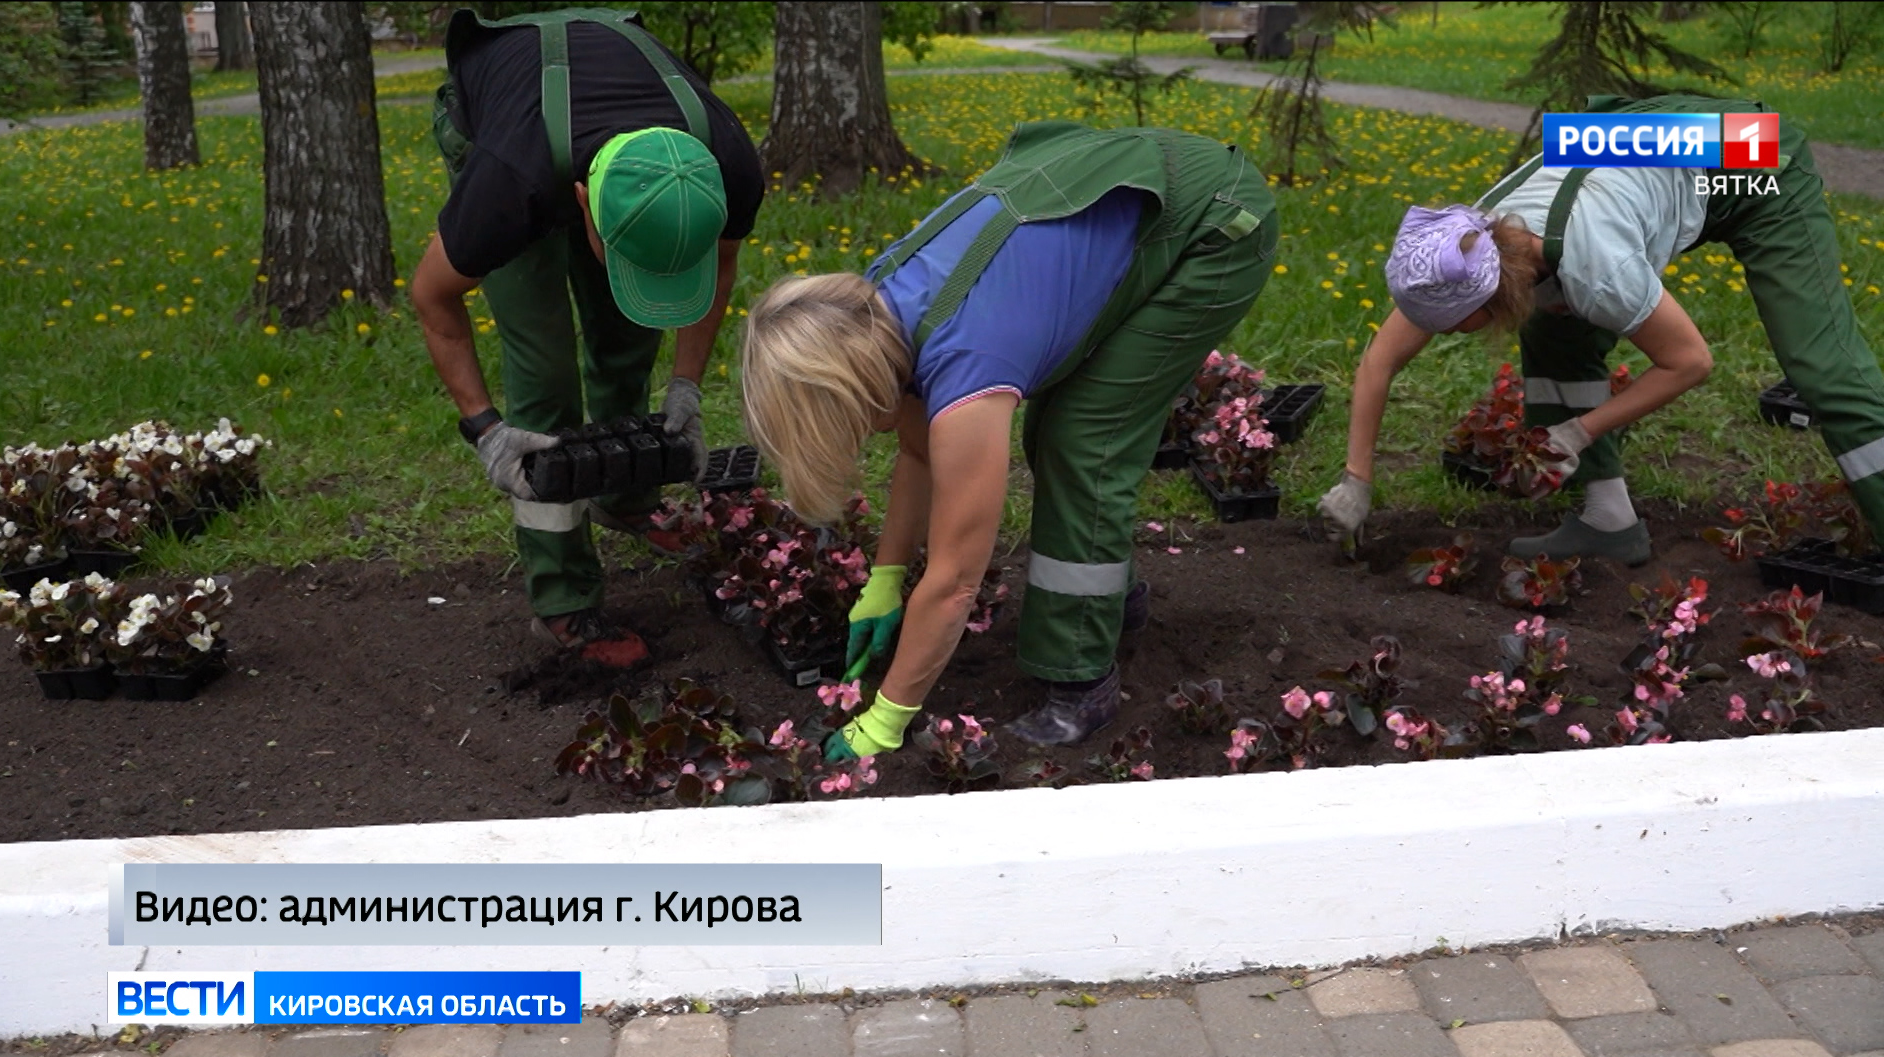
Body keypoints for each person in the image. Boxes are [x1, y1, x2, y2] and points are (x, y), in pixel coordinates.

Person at [741, 122, 1279, 759]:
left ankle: (1083, 684)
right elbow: (920, 447)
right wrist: (884, 579)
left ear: (848, 391)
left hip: (1213, 225)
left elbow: (954, 581)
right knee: (1061, 431)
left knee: (1083, 443)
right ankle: (1116, 601)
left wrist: (887, 718)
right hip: (1128, 193)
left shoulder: (967, 360)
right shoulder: (871, 310)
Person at [1319, 94, 1884, 564]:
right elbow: (1378, 362)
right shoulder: (1467, 247)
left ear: (1493, 293)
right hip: (1634, 143)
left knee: (1820, 364)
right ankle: (1607, 520)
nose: (1434, 333)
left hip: (1750, 161)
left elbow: (1691, 362)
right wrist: (1356, 480)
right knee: (1552, 331)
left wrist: (1579, 432)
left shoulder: (1596, 266)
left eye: (1447, 327)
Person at [411, 8, 764, 649]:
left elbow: (720, 265)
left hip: (580, 133)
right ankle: (563, 594)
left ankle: (627, 495)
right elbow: (432, 299)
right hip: (500, 121)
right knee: (543, 377)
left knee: (628, 334)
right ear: (580, 204)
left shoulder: (727, 159)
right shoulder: (507, 184)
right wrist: (485, 430)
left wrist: (685, 386)